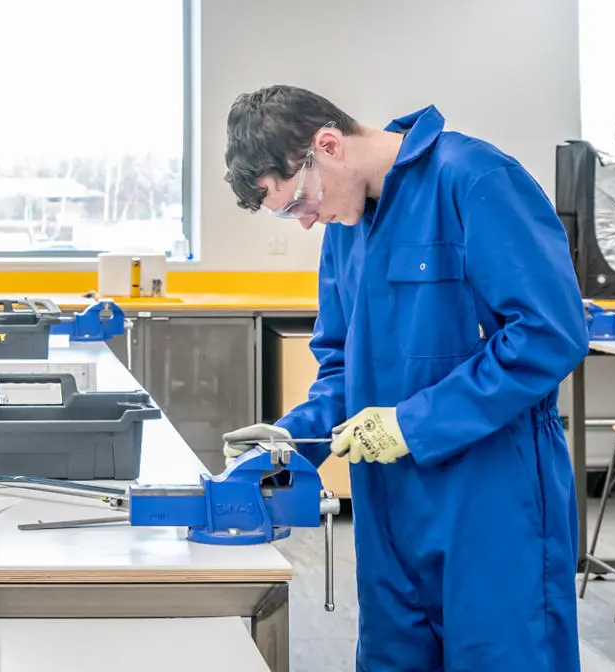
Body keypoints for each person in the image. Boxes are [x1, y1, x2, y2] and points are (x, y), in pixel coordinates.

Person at [220, 86, 588, 671]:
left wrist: (414, 423)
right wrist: (289, 446)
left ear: (329, 145)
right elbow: (340, 361)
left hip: (491, 497)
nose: (307, 222)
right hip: (389, 506)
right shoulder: (348, 224)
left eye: (298, 204)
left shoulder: (475, 179)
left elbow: (548, 334)